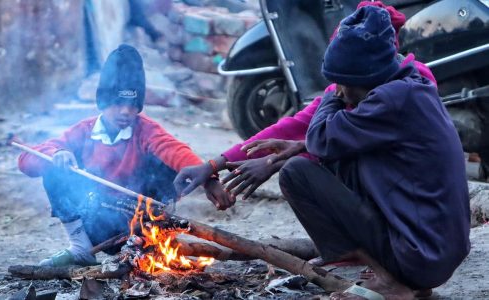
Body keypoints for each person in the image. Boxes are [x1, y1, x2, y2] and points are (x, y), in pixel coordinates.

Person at [279, 6, 470, 299]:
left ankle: (389, 279)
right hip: (434, 251)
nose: (342, 92)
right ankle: (405, 277)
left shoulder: (392, 99)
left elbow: (318, 139)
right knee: (342, 161)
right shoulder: (410, 89)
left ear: (367, 77)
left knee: (296, 173)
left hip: (419, 256)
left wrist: (331, 95)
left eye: (344, 83)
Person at [173, 1, 437, 211]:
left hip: (416, 206)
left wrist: (274, 162)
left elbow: (344, 148)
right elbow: (294, 126)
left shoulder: (405, 92)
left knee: (303, 171)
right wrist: (213, 165)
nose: (337, 88)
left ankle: (370, 249)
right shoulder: (350, 87)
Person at [18, 44, 220, 267]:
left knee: (168, 164)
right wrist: (57, 154)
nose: (126, 112)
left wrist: (208, 176)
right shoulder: (83, 131)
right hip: (95, 220)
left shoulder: (145, 130)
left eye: (132, 104)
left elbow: (175, 150)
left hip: (138, 222)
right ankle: (80, 248)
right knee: (54, 166)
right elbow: (26, 161)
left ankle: (151, 246)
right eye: (118, 103)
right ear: (103, 103)